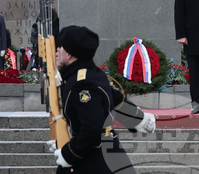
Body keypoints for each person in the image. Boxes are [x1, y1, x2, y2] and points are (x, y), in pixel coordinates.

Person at [50, 25, 157, 173]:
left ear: (69, 54)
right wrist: (137, 118)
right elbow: (114, 98)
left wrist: (69, 153)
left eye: (60, 47)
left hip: (95, 160)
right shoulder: (89, 74)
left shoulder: (81, 83)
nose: (56, 51)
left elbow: (92, 129)